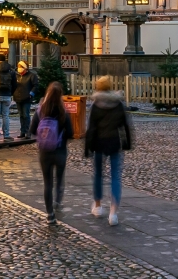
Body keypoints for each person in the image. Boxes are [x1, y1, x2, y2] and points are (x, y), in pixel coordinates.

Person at [84, 75, 132, 227]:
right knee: (115, 177)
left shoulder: (96, 105)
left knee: (98, 175)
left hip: (99, 142)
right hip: (114, 142)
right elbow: (125, 125)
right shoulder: (118, 103)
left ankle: (98, 206)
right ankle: (113, 213)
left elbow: (91, 128)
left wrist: (87, 147)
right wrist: (127, 143)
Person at [30, 81, 74, 225]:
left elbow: (31, 130)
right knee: (59, 178)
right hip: (60, 150)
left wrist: (43, 136)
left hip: (44, 152)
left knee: (47, 183)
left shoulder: (40, 110)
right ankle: (58, 201)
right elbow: (71, 133)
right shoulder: (63, 112)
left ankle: (50, 214)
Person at [13, 61, 38, 139]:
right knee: (21, 115)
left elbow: (36, 86)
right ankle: (22, 132)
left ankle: (27, 132)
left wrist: (31, 94)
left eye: (21, 66)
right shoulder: (16, 76)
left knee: (26, 115)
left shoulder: (31, 76)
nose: (19, 68)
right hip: (18, 97)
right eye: (18, 66)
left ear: (25, 68)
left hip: (27, 98)